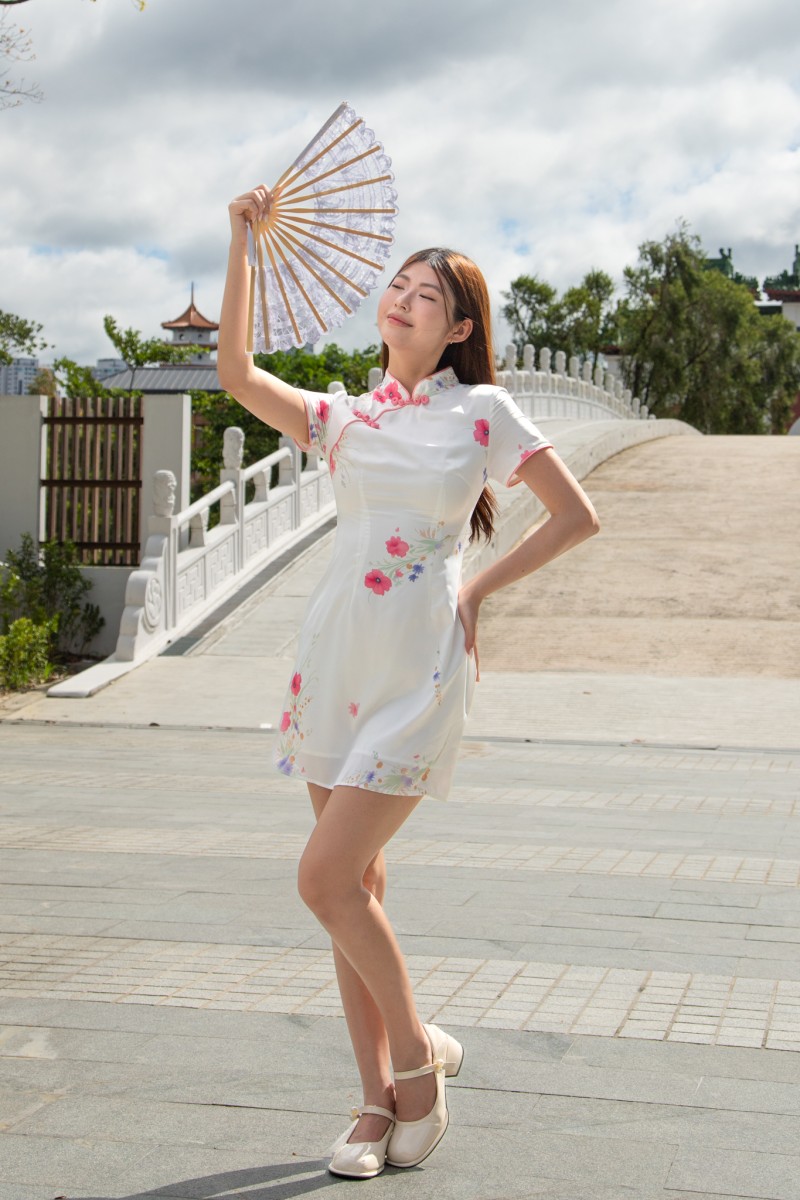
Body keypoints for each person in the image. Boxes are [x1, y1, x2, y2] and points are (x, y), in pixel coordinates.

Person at [218, 184, 600, 1179]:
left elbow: (574, 517)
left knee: (323, 879)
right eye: (395, 287)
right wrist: (241, 246)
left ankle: (419, 1062)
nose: (400, 299)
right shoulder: (343, 418)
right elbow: (233, 370)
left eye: (424, 295)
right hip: (333, 660)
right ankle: (372, 1101)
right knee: (358, 886)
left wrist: (475, 589)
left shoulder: (482, 411)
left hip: (419, 665)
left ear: (459, 325)